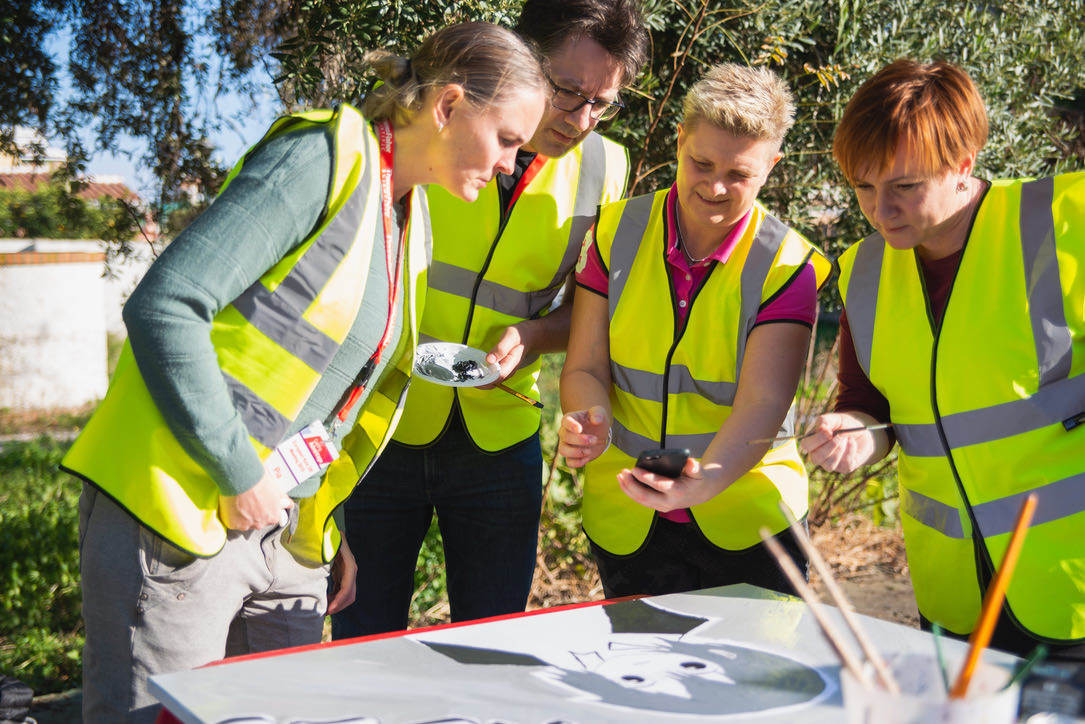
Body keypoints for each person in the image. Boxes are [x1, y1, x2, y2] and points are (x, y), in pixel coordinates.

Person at [60, 22, 548, 723]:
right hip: (178, 513)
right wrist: (238, 472)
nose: (510, 164)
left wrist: (324, 525)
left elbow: (332, 397)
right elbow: (165, 306)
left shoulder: (410, 215)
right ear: (445, 106)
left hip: (280, 536)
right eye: (506, 139)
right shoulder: (320, 157)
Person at [331, 0, 649, 639]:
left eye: (602, 103)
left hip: (501, 434)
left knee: (494, 641)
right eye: (567, 91)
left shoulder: (607, 168)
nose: (581, 119)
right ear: (523, 57)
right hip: (378, 422)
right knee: (360, 639)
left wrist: (534, 336)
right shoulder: (417, 121)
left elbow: (589, 314)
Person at [800, 58, 1085, 660]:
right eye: (864, 187)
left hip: (1071, 586)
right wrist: (852, 435)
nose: (881, 209)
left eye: (904, 186)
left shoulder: (1066, 223)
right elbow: (866, 405)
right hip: (953, 600)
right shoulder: (864, 272)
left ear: (963, 165)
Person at [558, 63, 831, 599]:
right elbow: (585, 367)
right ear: (679, 140)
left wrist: (700, 485)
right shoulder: (615, 231)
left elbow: (763, 402)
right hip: (629, 512)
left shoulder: (787, 264)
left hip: (749, 519)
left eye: (740, 174)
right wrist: (586, 421)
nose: (715, 186)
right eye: (700, 163)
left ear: (772, 167)